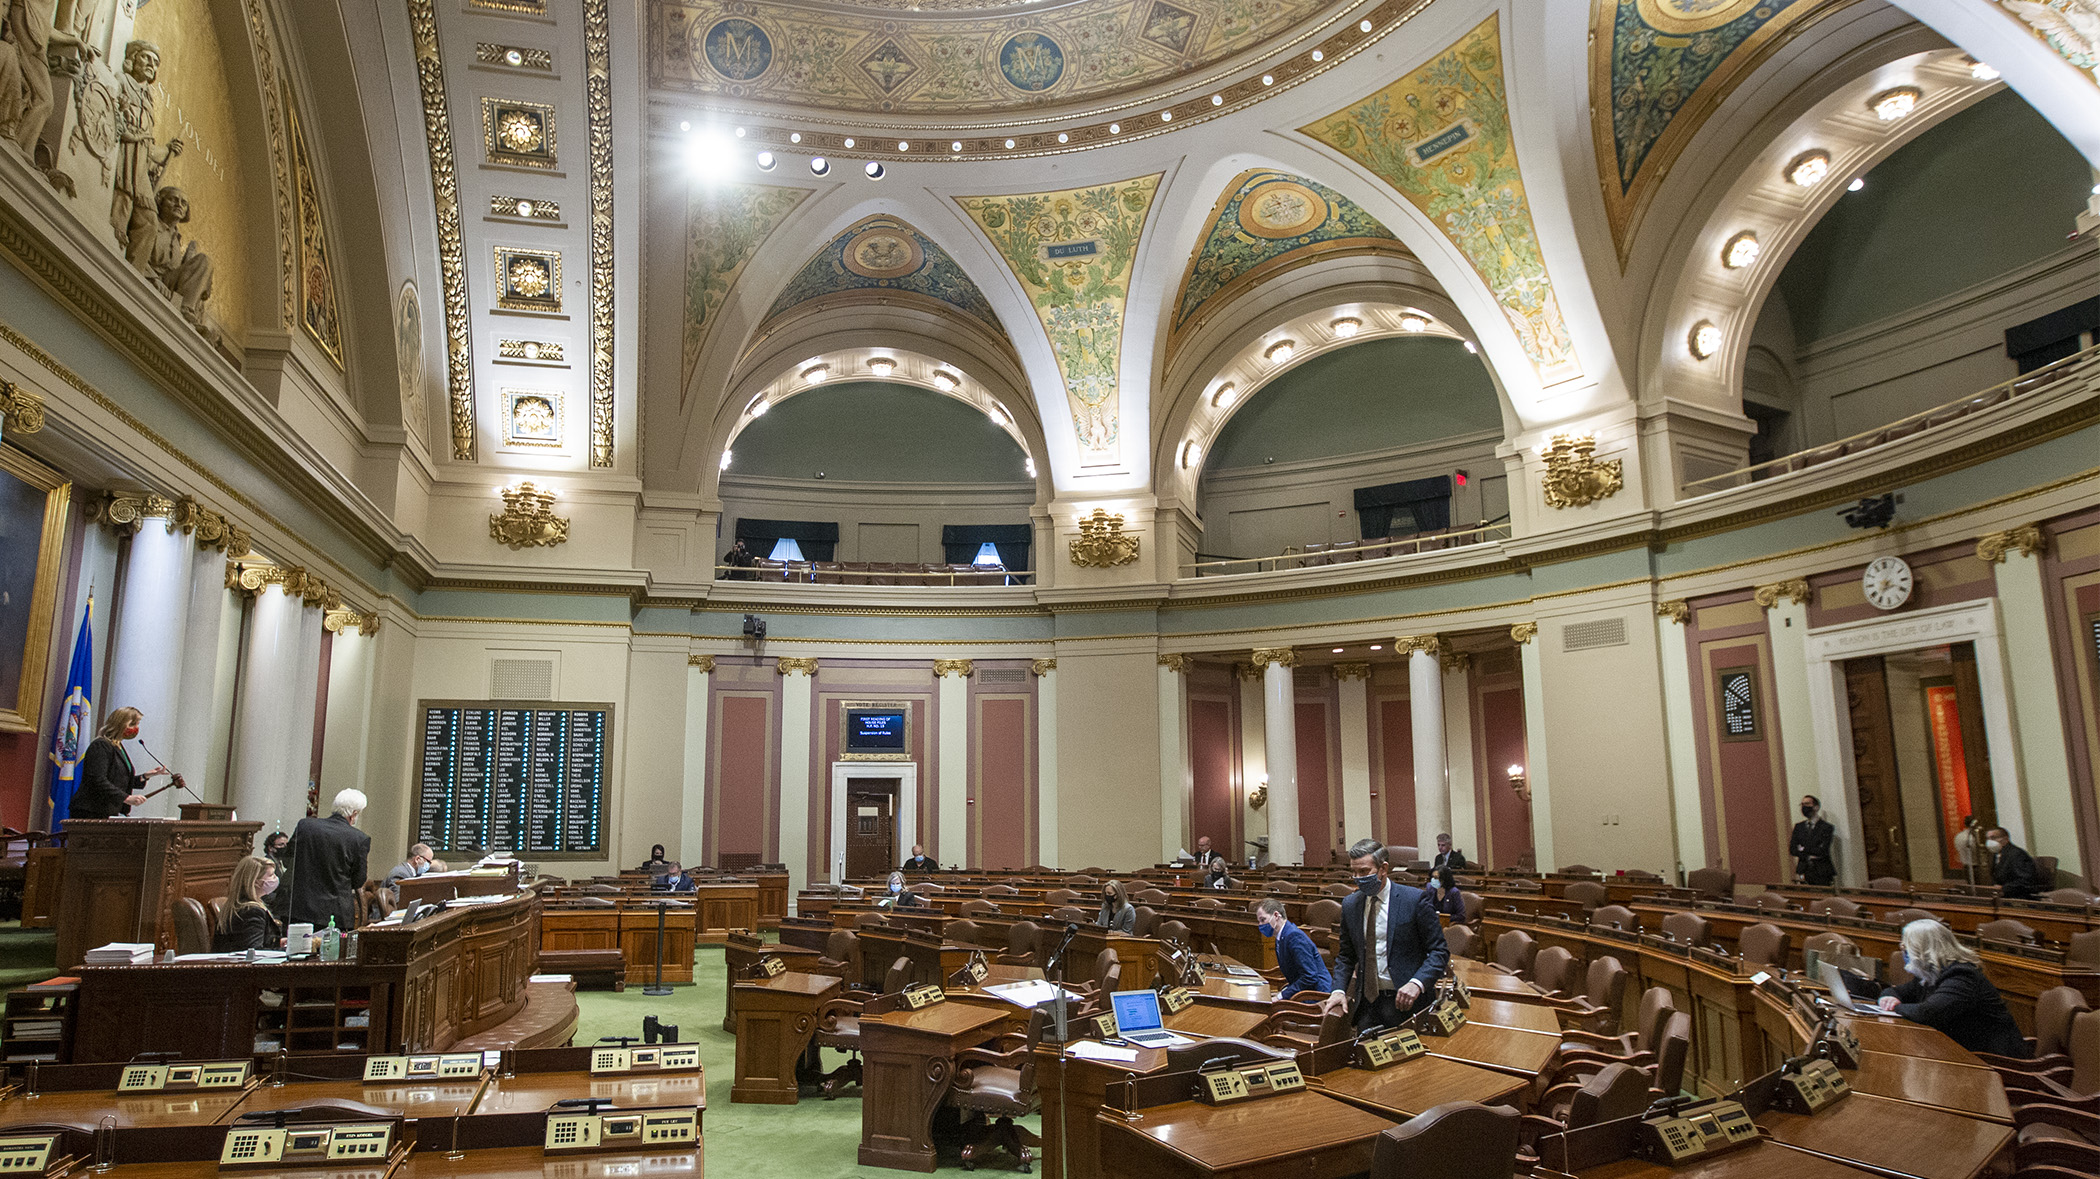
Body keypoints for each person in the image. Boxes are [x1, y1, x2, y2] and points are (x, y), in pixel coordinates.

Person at [1321, 839, 1449, 1029]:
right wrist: (1338, 990)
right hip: (1367, 1003)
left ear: (1383, 869)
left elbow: (1439, 951)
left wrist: (1417, 983)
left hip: (1407, 1003)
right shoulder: (1350, 904)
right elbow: (1346, 956)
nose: (1357, 878)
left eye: (1364, 871)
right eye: (1354, 872)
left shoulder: (1413, 900)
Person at [1875, 919, 2028, 1057]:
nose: (1904, 953)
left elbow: (1929, 1013)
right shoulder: (1931, 974)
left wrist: (1896, 1007)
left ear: (1922, 950)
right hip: (1960, 1052)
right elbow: (1896, 990)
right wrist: (1889, 997)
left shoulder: (1962, 975)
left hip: (1992, 1059)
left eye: (1906, 948)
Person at [287, 789, 372, 934]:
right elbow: (358, 880)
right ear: (354, 814)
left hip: (299, 908)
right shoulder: (358, 839)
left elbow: (288, 856)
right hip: (335, 913)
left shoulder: (305, 826)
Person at [70, 706, 167, 820]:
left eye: (137, 724)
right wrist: (126, 798)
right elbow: (97, 780)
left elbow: (119, 780)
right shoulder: (101, 745)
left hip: (107, 810)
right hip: (91, 811)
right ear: (120, 723)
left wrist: (145, 777)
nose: (136, 728)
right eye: (132, 724)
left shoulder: (118, 746)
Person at [1253, 897, 1334, 1001]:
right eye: (1259, 921)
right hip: (1304, 992)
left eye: (1263, 920)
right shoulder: (1282, 936)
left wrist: (1281, 996)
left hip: (1316, 996)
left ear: (1276, 915)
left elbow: (1310, 977)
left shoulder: (1294, 936)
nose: (1260, 925)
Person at [214, 855, 285, 952]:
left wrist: (279, 942)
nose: (275, 878)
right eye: (271, 875)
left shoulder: (240, 905)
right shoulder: (251, 911)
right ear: (256, 882)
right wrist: (286, 951)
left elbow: (260, 940)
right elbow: (253, 952)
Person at [1790, 795, 1836, 885]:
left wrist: (1803, 848)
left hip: (1822, 871)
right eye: (1802, 804)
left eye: (1807, 804)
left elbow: (1822, 850)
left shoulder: (1826, 827)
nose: (1804, 807)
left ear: (1816, 807)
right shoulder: (1799, 827)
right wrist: (1808, 854)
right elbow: (1793, 849)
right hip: (1804, 869)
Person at [1988, 828, 2044, 899]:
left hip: (2018, 895)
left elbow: (2026, 880)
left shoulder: (2017, 854)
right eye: (1988, 838)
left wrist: (2004, 888)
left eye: (1993, 838)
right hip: (2002, 896)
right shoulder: (1997, 855)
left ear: (2005, 839)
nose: (1990, 842)